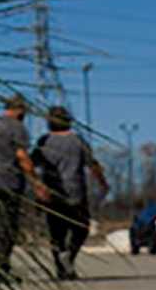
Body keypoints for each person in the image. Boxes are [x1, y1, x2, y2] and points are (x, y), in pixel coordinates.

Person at [0, 93, 44, 278]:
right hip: (8, 180)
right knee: (8, 225)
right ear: (20, 110)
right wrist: (36, 182)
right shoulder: (17, 127)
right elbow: (22, 156)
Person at [35, 106, 107, 280]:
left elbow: (32, 163)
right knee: (81, 228)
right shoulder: (78, 141)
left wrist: (37, 187)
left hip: (52, 194)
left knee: (56, 234)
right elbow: (93, 164)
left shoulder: (44, 141)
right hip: (76, 193)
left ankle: (61, 269)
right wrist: (102, 182)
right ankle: (69, 257)